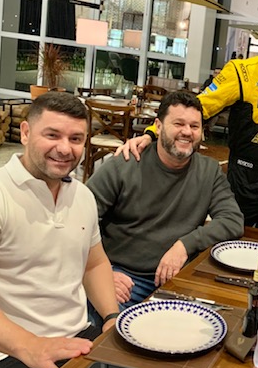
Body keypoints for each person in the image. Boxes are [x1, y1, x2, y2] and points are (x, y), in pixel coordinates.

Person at [117, 0, 258, 230]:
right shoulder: (241, 71)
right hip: (244, 179)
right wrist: (151, 134)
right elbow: (195, 109)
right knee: (228, 246)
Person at [0, 92, 118, 368]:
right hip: (2, 354)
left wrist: (111, 317)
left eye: (76, 138)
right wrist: (31, 345)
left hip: (78, 337)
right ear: (25, 133)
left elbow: (95, 264)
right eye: (52, 135)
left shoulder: (83, 195)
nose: (65, 148)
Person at [87, 91, 244, 308]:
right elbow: (78, 222)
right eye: (178, 123)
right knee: (110, 331)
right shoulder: (124, 164)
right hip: (123, 277)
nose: (187, 132)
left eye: (194, 126)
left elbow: (232, 220)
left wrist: (184, 245)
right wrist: (100, 272)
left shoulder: (208, 171)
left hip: (177, 279)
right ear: (158, 127)